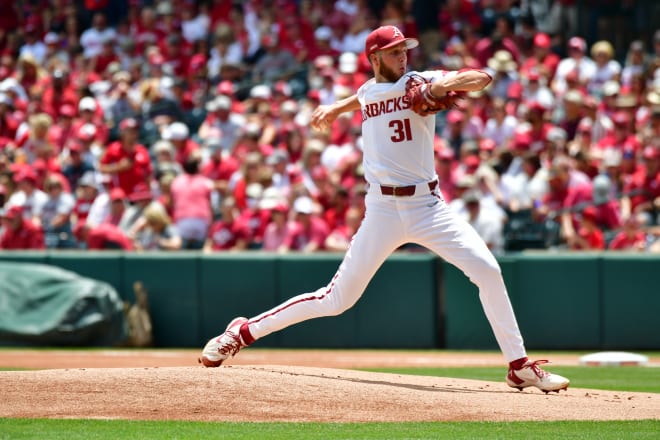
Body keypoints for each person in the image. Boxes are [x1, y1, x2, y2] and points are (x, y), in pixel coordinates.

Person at [199, 25, 570, 393]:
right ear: (374, 58)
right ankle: (241, 332)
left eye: (404, 48)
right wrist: (334, 107)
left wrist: (440, 86)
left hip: (428, 207)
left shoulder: (419, 79)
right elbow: (363, 96)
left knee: (488, 270)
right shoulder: (367, 90)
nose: (403, 54)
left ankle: (518, 366)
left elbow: (482, 78)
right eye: (394, 50)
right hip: (382, 210)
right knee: (335, 300)